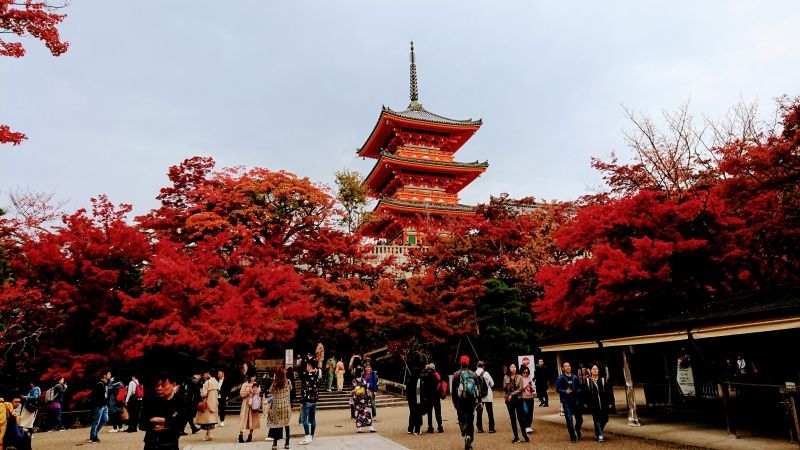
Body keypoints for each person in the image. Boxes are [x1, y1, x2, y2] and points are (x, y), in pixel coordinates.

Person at [139, 371, 188, 450]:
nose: (159, 388)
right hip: (151, 443)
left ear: (174, 384)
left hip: (170, 444)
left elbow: (181, 423)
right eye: (157, 385)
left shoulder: (180, 401)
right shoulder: (151, 401)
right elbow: (142, 423)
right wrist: (169, 422)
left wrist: (161, 421)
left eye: (163, 385)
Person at [451, 355, 480, 450]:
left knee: (461, 419)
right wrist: (478, 401)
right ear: (468, 363)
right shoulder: (474, 375)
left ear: (460, 363)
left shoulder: (456, 375)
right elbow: (478, 389)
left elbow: (454, 391)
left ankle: (464, 432)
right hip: (471, 402)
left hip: (460, 402)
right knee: (470, 420)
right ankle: (469, 439)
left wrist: (455, 402)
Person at [582, 364, 614, 442]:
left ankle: (598, 432)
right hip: (594, 403)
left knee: (605, 419)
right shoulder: (587, 381)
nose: (595, 370)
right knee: (597, 419)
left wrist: (610, 402)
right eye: (593, 369)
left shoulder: (603, 380)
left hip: (603, 403)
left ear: (598, 371)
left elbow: (608, 392)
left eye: (596, 369)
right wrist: (585, 402)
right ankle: (600, 435)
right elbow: (585, 392)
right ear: (590, 371)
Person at [556, 362, 583, 443]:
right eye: (566, 366)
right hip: (566, 402)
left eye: (569, 366)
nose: (568, 367)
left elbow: (579, 388)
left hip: (575, 401)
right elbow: (557, 389)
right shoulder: (560, 378)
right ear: (563, 368)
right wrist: (565, 391)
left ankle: (577, 428)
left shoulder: (575, 377)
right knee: (569, 420)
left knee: (580, 419)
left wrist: (576, 391)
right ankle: (573, 436)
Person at [266, 367, 292, 450]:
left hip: (277, 405)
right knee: (286, 424)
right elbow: (291, 389)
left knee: (276, 425)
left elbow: (270, 391)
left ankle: (275, 444)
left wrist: (274, 379)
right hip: (286, 406)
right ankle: (287, 443)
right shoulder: (288, 382)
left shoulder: (275, 383)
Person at [503, 363, 528, 443]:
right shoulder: (506, 377)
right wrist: (506, 388)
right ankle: (516, 437)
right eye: (511, 367)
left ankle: (524, 434)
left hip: (518, 399)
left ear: (516, 368)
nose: (513, 368)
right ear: (509, 368)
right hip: (509, 400)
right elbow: (504, 388)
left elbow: (521, 389)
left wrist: (511, 394)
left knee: (520, 418)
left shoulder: (520, 377)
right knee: (512, 418)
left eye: (514, 367)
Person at [298, 358, 319, 445]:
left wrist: (301, 401)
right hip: (314, 399)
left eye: (307, 365)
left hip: (307, 399)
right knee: (313, 417)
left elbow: (304, 389)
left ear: (310, 366)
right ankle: (312, 435)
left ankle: (307, 436)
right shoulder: (317, 374)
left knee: (304, 418)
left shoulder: (306, 375)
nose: (306, 367)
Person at [195, 370, 220, 441]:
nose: (203, 376)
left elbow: (204, 394)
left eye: (205, 374)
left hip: (207, 403)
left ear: (208, 374)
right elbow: (218, 392)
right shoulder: (216, 381)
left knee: (207, 420)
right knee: (210, 419)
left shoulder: (207, 382)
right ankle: (207, 434)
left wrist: (201, 393)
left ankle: (209, 434)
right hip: (214, 402)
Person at [88, 370, 111, 443]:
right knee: (96, 421)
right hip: (99, 405)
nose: (110, 375)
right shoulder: (100, 384)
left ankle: (94, 433)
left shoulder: (105, 383)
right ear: (104, 376)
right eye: (108, 374)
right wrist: (100, 404)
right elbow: (99, 396)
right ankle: (93, 437)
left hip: (104, 405)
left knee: (105, 419)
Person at [420, 363, 443, 433]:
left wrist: (425, 369)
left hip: (428, 397)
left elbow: (420, 375)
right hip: (436, 397)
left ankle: (430, 427)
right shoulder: (437, 375)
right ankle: (440, 426)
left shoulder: (426, 376)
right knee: (438, 413)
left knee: (429, 413)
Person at [352, 367, 377, 433]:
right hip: (363, 398)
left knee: (359, 413)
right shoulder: (363, 380)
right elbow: (366, 387)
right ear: (360, 373)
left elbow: (353, 390)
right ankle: (371, 427)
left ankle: (359, 428)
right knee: (367, 412)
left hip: (356, 399)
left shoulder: (354, 381)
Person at [238, 373, 261, 443]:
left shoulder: (256, 384)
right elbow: (241, 394)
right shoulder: (245, 384)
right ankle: (240, 435)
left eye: (254, 376)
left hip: (253, 404)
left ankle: (250, 435)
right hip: (245, 404)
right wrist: (248, 391)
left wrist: (255, 391)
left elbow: (258, 393)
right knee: (243, 420)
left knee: (252, 420)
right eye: (252, 376)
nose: (253, 378)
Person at [475, 360, 495, 434]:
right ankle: (491, 428)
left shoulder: (474, 374)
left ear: (477, 366)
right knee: (490, 412)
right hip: (488, 395)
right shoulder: (486, 373)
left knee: (479, 412)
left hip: (479, 397)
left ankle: (480, 428)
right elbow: (492, 384)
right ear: (483, 366)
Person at [404, 365, 423, 435]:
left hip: (410, 399)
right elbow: (420, 391)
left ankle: (410, 429)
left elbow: (407, 390)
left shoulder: (409, 380)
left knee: (412, 413)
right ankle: (417, 430)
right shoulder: (419, 380)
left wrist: (408, 397)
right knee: (418, 414)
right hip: (417, 399)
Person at [520, 365, 536, 435]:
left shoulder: (529, 379)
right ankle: (526, 426)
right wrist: (526, 387)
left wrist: (532, 389)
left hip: (530, 397)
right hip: (523, 397)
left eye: (527, 372)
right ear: (521, 372)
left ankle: (529, 426)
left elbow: (533, 388)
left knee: (530, 413)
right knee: (526, 412)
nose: (525, 374)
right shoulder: (520, 379)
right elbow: (519, 389)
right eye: (524, 372)